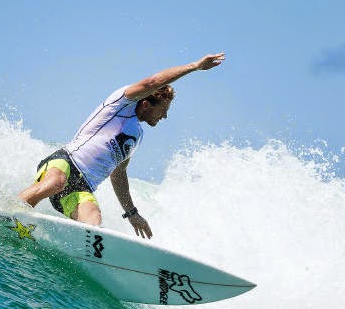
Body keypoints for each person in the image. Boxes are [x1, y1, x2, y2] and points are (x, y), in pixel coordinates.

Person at [17, 52, 225, 239]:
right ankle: (11, 212)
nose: (165, 116)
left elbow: (118, 174)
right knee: (56, 182)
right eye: (163, 110)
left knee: (93, 223)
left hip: (81, 188)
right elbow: (153, 82)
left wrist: (132, 213)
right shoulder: (121, 104)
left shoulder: (137, 136)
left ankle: (82, 252)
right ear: (146, 104)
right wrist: (195, 66)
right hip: (65, 162)